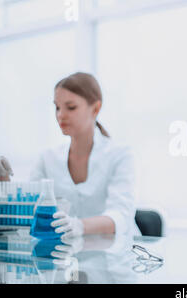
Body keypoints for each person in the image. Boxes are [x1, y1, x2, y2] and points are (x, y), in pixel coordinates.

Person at [30, 72, 140, 239]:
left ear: (95, 108)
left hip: (116, 257)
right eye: (57, 107)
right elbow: (28, 206)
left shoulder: (120, 155)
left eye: (71, 107)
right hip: (66, 257)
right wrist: (3, 184)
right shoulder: (47, 158)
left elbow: (121, 216)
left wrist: (80, 226)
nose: (60, 114)